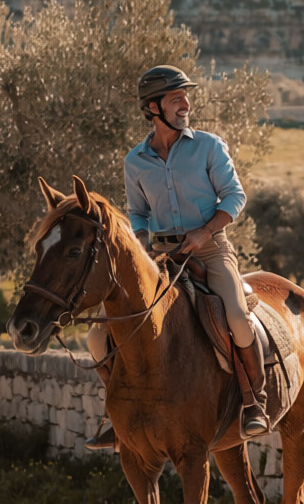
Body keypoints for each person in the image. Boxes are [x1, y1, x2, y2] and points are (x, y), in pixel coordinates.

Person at [85, 65, 270, 451]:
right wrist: (140, 240)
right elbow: (137, 212)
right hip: (158, 256)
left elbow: (234, 196)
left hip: (211, 248)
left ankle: (254, 401)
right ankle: (119, 415)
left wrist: (205, 231)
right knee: (97, 335)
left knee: (237, 316)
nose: (186, 103)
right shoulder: (135, 161)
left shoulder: (209, 146)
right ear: (153, 107)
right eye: (176, 98)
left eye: (186, 96)